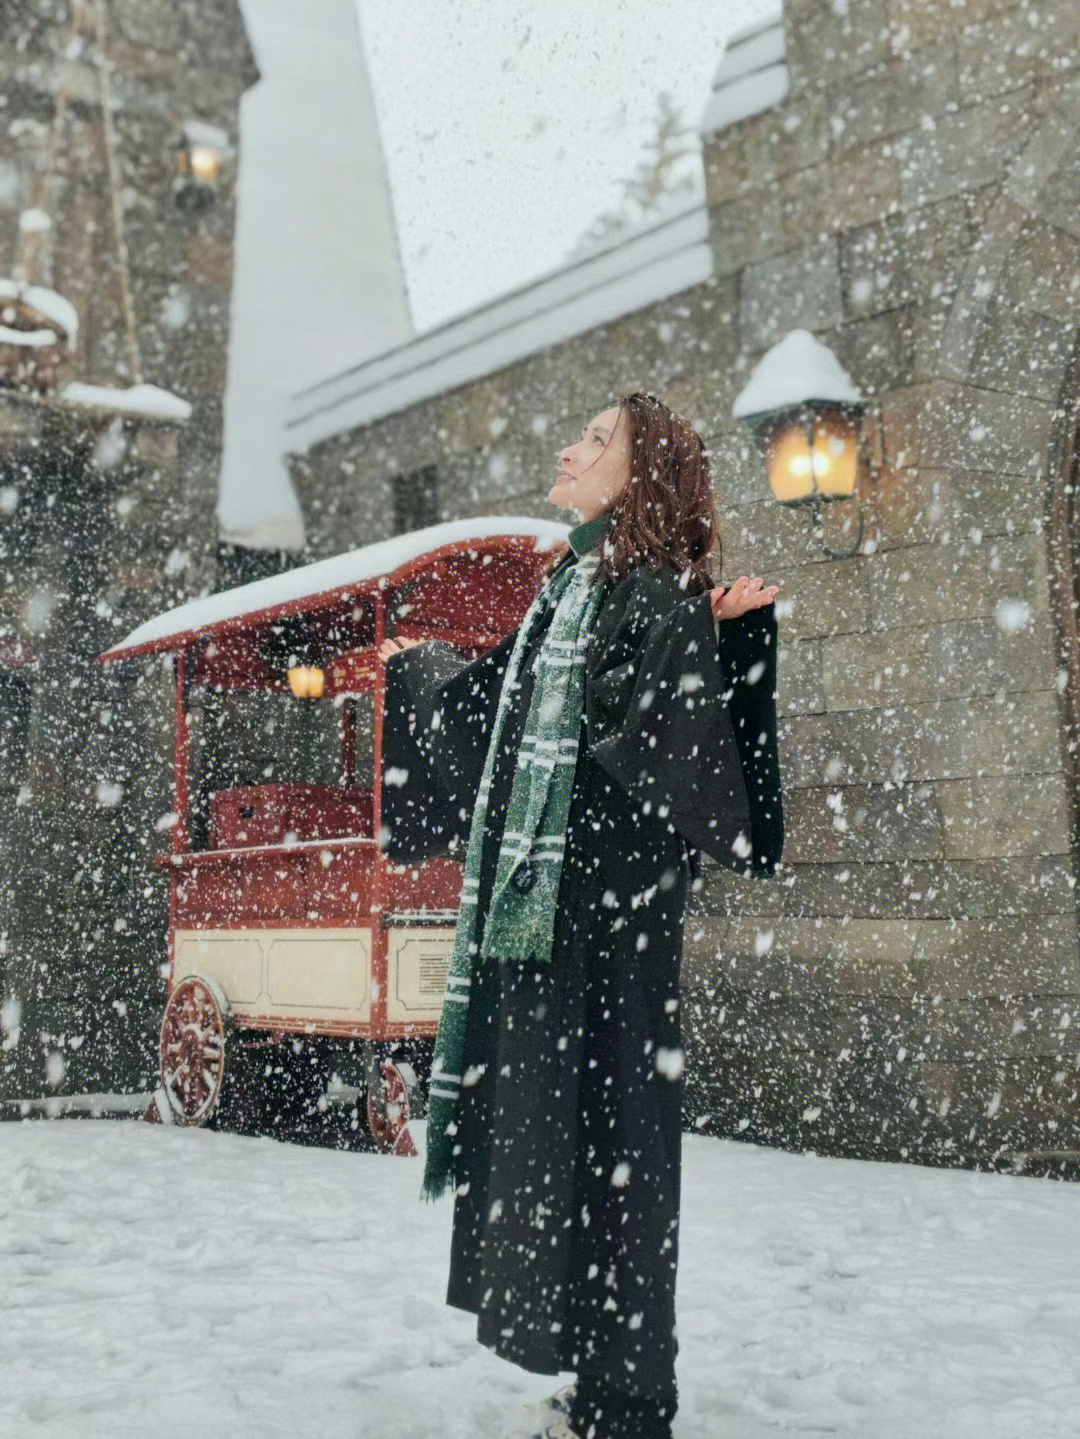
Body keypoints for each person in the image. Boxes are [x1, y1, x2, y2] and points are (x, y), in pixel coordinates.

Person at [377, 392, 783, 1439]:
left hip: (610, 938)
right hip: (554, 938)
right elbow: (494, 725)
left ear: (641, 476)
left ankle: (630, 1401)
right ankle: (602, 1379)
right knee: (570, 1164)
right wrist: (411, 683)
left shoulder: (645, 593)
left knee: (620, 1168)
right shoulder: (573, 591)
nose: (570, 448)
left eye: (597, 440)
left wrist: (717, 636)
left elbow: (664, 752)